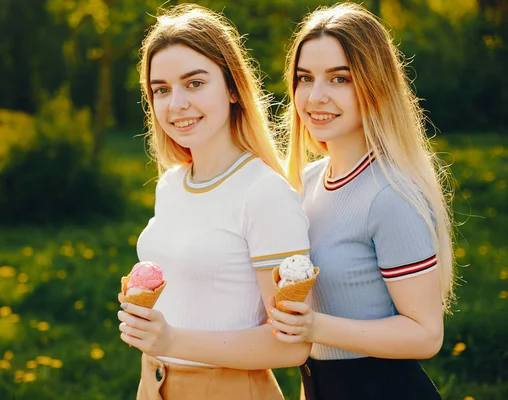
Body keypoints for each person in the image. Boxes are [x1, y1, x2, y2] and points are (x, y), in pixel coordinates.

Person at [117, 4, 311, 399]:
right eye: (161, 89)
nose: (176, 105)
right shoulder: (170, 186)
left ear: (234, 88)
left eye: (195, 83)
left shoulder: (264, 193)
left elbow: (290, 344)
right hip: (153, 386)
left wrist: (170, 340)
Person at [267, 3, 455, 400]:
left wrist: (316, 327)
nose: (316, 96)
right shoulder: (311, 181)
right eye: (305, 78)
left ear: (375, 83)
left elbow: (426, 334)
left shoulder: (390, 195)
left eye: (340, 78)